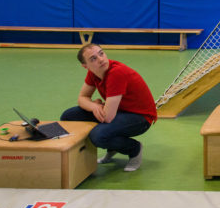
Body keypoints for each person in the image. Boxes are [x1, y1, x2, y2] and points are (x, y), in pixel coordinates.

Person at [61, 43, 157, 172]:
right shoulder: (94, 72)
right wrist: (94, 106)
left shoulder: (116, 73)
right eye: (93, 59)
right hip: (120, 110)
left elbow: (108, 117)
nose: (101, 59)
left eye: (101, 53)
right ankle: (112, 146)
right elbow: (82, 98)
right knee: (68, 116)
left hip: (140, 118)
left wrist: (96, 106)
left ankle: (134, 149)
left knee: (98, 135)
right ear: (85, 66)